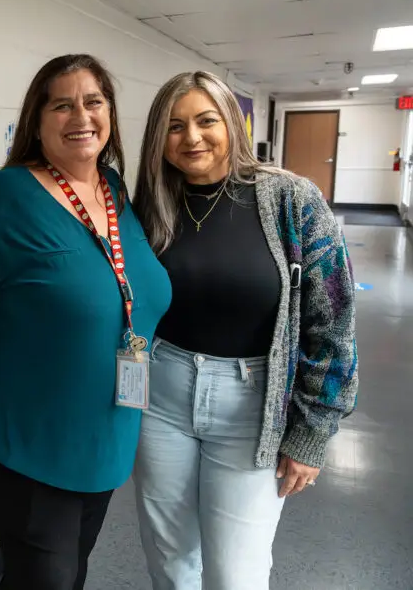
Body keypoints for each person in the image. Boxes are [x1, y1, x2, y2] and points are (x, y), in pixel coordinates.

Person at [0, 54, 172, 590]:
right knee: (49, 580)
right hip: (28, 440)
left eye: (93, 101)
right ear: (37, 120)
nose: (80, 115)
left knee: (68, 572)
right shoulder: (7, 196)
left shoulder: (113, 190)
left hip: (103, 435)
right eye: (62, 104)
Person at [131, 70, 358, 590]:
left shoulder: (292, 201)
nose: (192, 138)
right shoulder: (148, 207)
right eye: (174, 126)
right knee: (169, 562)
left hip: (254, 405)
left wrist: (312, 432)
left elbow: (335, 321)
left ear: (232, 122)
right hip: (160, 398)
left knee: (236, 573)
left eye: (206, 121)